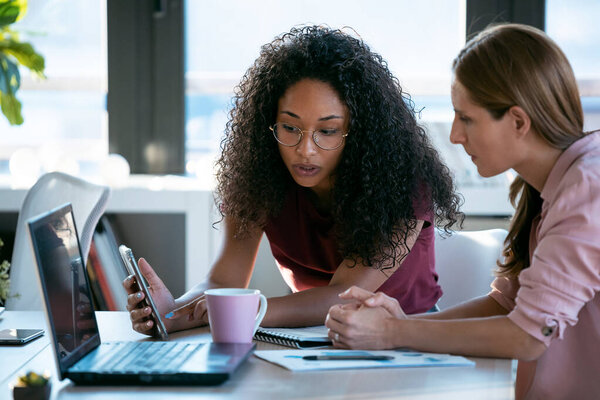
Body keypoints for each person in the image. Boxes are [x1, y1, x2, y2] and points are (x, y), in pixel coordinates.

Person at [124, 25, 462, 334]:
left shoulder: (401, 182)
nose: (305, 150)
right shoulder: (259, 175)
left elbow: (341, 298)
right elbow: (224, 279)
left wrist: (244, 310)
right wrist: (170, 313)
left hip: (408, 336)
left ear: (359, 133)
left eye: (327, 131)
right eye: (289, 127)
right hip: (307, 334)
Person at [325, 23, 600, 399]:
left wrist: (392, 333)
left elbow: (528, 334)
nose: (454, 135)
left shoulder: (587, 189)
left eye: (466, 118)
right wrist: (406, 323)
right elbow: (508, 303)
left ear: (518, 121)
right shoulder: (555, 186)